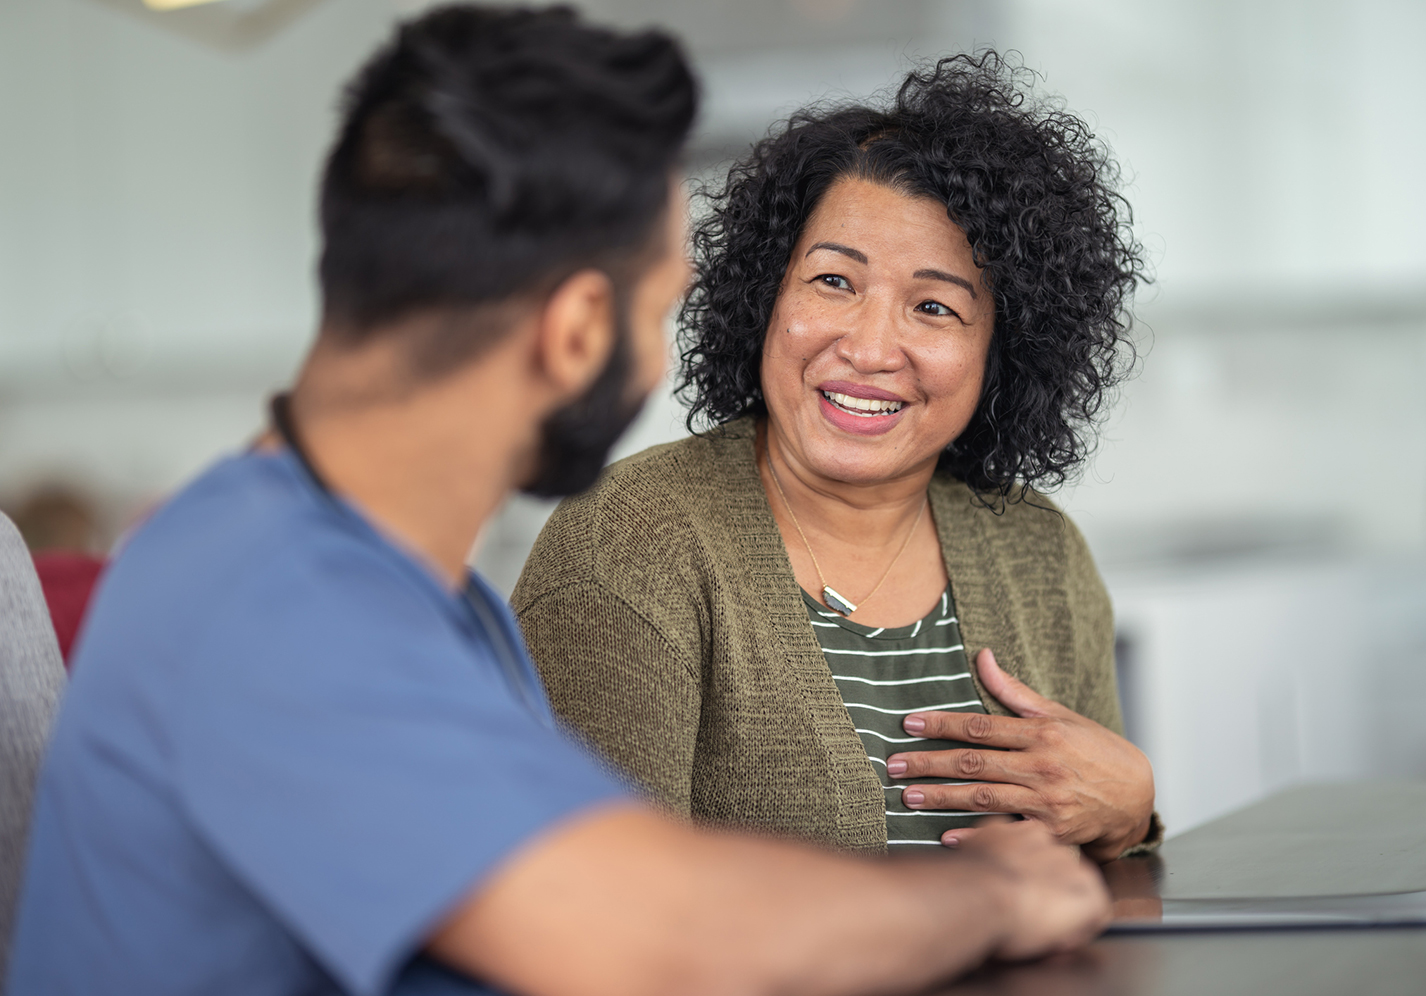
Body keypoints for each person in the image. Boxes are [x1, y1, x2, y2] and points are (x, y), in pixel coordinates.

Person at [7, 8, 1110, 995]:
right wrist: (992, 894)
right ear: (577, 329)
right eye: (663, 299)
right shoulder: (270, 605)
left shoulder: (404, 593)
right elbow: (649, 943)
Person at [514, 54, 1161, 861]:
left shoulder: (1040, 550)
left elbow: (1104, 890)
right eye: (832, 281)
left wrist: (1132, 814)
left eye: (933, 306)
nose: (868, 346)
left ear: (1004, 350)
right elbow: (598, 909)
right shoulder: (629, 544)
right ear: (766, 296)